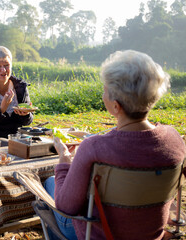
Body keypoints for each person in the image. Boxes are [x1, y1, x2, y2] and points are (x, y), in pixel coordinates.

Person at [44, 50, 186, 239]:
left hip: (98, 234)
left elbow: (66, 206)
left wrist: (64, 161)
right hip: (151, 234)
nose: (103, 95)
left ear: (116, 106)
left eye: (105, 90)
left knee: (50, 183)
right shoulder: (175, 139)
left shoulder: (93, 147)